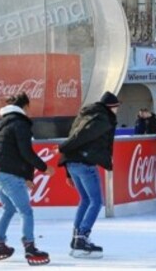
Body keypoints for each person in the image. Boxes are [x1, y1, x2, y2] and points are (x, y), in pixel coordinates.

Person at [0, 92, 54, 265]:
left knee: (8, 209)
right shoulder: (20, 123)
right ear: (24, 107)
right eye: (29, 107)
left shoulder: (3, 123)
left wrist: (28, 176)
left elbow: (14, 153)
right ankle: (30, 248)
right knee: (26, 211)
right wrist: (44, 167)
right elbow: (26, 152)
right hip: (9, 173)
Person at [58, 91, 120, 258]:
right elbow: (79, 137)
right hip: (84, 163)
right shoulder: (101, 119)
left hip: (72, 163)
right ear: (111, 107)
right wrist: (64, 147)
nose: (117, 111)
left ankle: (76, 237)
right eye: (116, 108)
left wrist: (67, 169)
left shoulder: (86, 114)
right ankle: (82, 236)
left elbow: (74, 135)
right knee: (97, 201)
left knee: (85, 200)